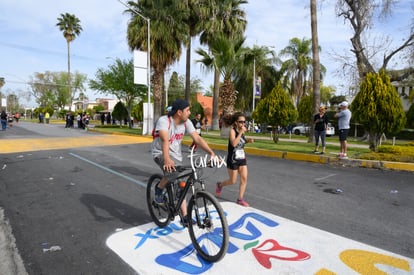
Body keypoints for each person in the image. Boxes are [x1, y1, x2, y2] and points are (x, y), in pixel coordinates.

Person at [151, 99, 216, 226]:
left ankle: (185, 216)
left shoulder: (186, 123)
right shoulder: (164, 121)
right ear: (179, 112)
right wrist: (167, 159)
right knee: (172, 173)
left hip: (176, 155)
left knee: (182, 184)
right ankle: (159, 189)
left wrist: (211, 153)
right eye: (188, 110)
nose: (190, 113)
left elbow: (197, 138)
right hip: (160, 153)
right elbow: (165, 140)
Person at [216, 112, 254, 207]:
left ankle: (240, 199)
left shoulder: (242, 131)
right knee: (233, 181)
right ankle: (220, 185)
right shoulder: (232, 131)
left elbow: (241, 142)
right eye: (241, 122)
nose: (243, 124)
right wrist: (241, 132)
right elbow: (234, 143)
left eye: (244, 122)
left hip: (241, 157)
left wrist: (248, 140)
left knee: (244, 177)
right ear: (236, 122)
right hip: (232, 159)